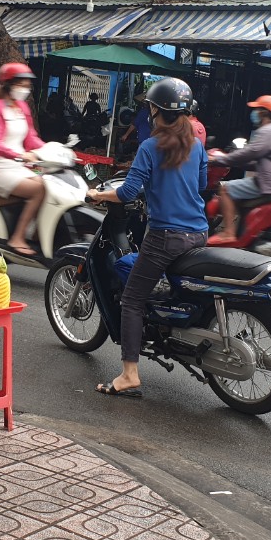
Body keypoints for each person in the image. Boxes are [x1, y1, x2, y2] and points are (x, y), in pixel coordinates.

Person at [86, 78, 207, 398]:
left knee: (131, 299)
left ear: (158, 111)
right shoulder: (196, 144)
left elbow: (126, 191)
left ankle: (129, 374)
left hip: (166, 236)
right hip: (199, 233)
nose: (149, 112)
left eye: (150, 107)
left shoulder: (151, 147)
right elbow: (201, 183)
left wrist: (100, 196)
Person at [0, 63, 47, 257]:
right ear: (8, 84)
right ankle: (18, 237)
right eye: (21, 84)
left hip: (18, 165)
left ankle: (36, 232)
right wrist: (19, 155)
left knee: (48, 182)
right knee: (39, 188)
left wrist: (50, 149)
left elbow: (31, 137)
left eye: (27, 84)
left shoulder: (21, 106)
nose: (25, 88)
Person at [207, 95, 271, 245]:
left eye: (257, 110)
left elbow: (249, 152)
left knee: (225, 189)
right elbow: (260, 159)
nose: (254, 113)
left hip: (269, 183)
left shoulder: (266, 131)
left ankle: (228, 233)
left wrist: (219, 160)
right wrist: (239, 163)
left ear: (264, 113)